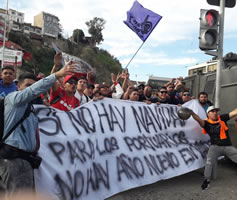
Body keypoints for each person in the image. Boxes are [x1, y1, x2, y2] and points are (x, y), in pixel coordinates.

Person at [0, 64, 76, 195]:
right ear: (18, 87)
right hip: (13, 160)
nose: (32, 89)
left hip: (25, 161)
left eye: (33, 85)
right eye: (27, 85)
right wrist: (57, 75)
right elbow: (34, 91)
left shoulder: (32, 108)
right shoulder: (13, 99)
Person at [189, 105, 237, 190]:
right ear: (208, 114)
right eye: (212, 111)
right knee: (209, 162)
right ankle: (206, 180)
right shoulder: (206, 123)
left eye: (216, 111)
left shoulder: (222, 118)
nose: (215, 113)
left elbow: (234, 113)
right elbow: (198, 119)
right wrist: (192, 113)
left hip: (227, 146)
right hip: (215, 147)